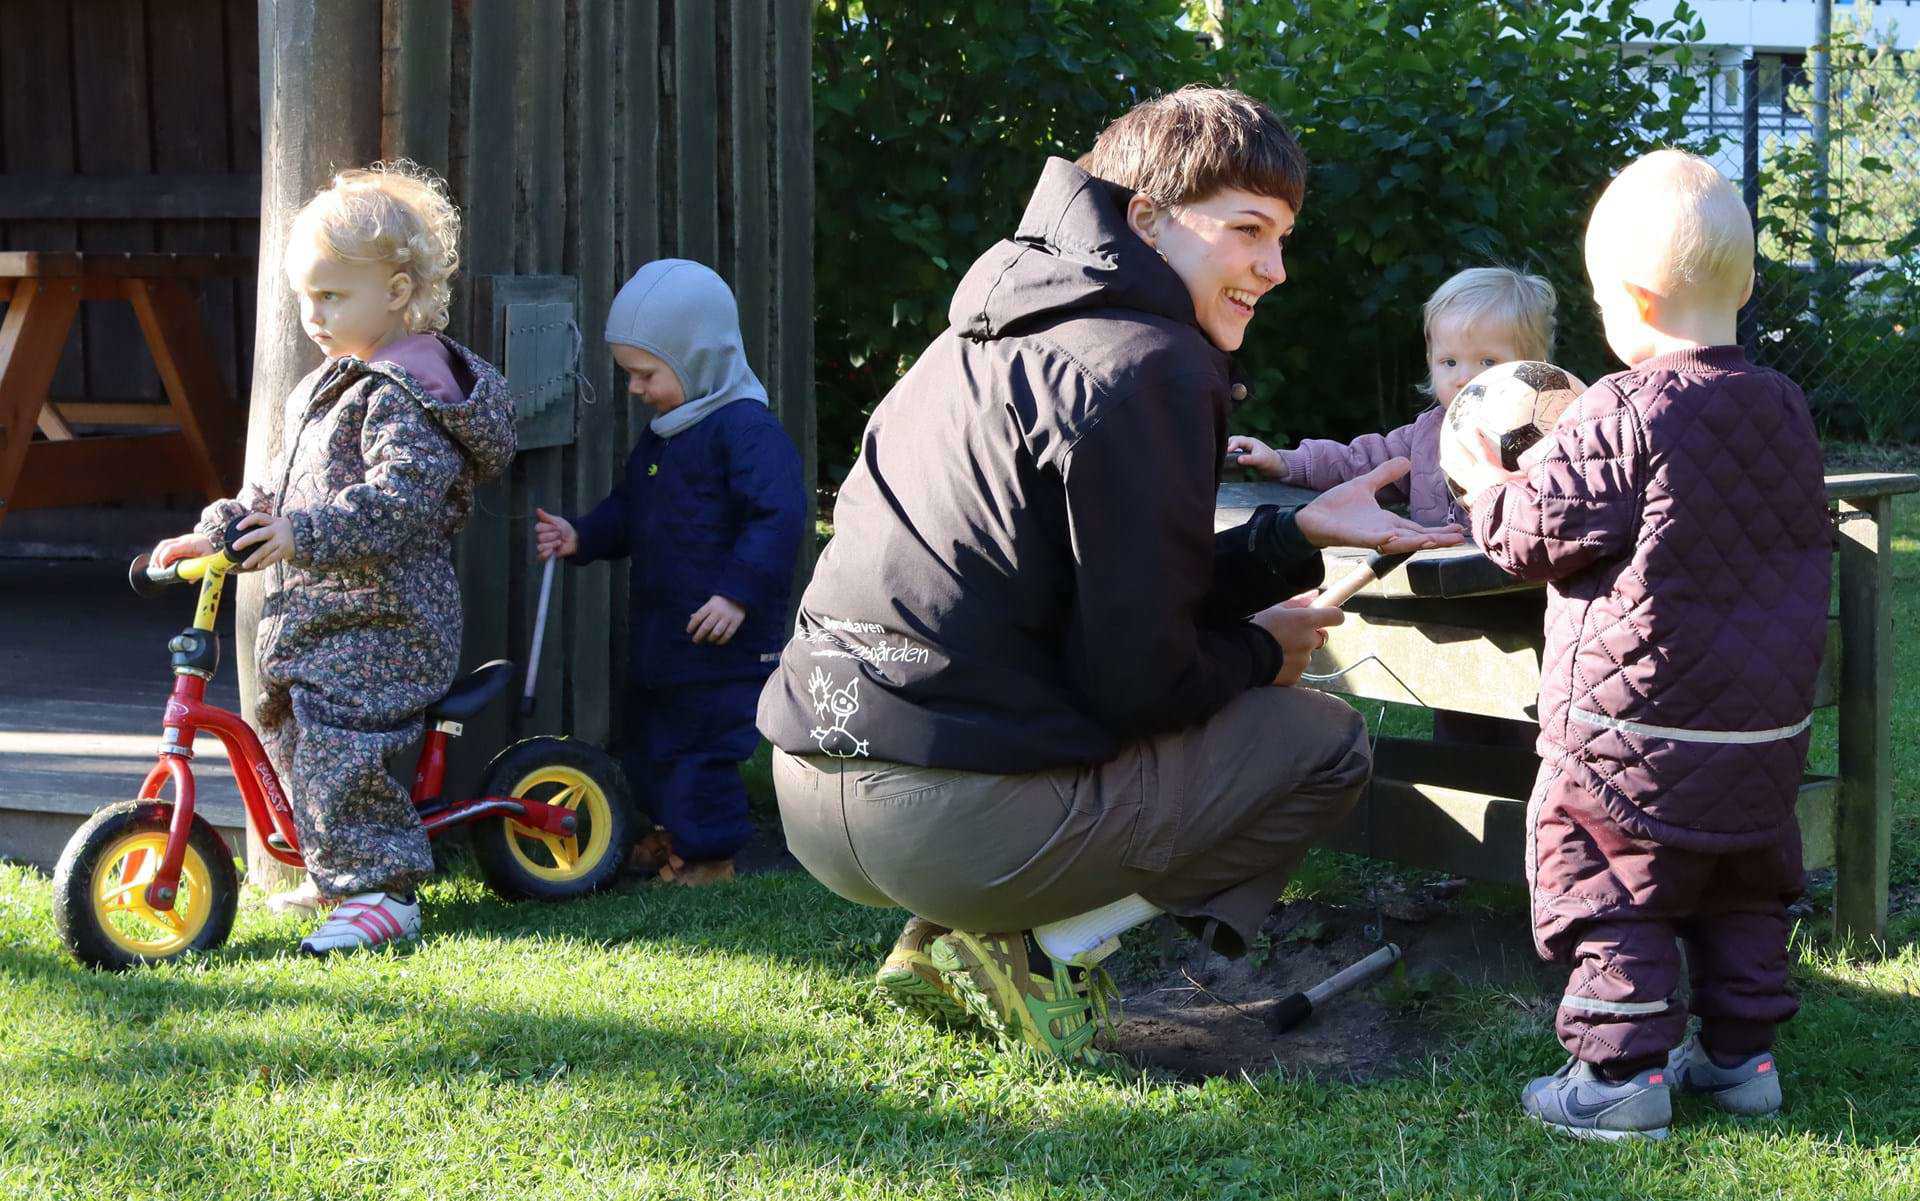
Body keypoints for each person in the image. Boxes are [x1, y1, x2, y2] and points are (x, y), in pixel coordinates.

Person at [757, 86, 1460, 1064]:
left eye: (1284, 237)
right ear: (1145, 217)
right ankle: (1045, 950)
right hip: (944, 824)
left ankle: (962, 934)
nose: (1275, 268)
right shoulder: (1153, 362)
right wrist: (1264, 652)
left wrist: (1292, 531)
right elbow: (1138, 682)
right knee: (1327, 743)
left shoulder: (977, 334)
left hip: (811, 787)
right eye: (1249, 230)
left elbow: (1088, 588)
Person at [1452, 149, 1829, 1140]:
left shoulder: (1623, 409)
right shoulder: (1786, 406)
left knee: (1617, 880)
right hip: (1760, 732)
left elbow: (1536, 536)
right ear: (1745, 284)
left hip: (1633, 735)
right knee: (1740, 887)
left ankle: (1620, 1077)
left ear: (1628, 298)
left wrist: (1485, 477)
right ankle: (1744, 1062)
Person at [152, 161, 516, 955]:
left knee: (337, 745)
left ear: (394, 292)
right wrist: (217, 531)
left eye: (331, 295)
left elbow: (402, 500)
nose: (313, 315)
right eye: (305, 297)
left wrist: (303, 536)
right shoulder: (321, 389)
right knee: (285, 732)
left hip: (385, 625)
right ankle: (339, 865)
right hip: (318, 622)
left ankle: (383, 894)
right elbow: (272, 491)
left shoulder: (401, 397)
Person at [534, 260, 805, 886]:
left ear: (700, 360)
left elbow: (778, 518)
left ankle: (711, 857)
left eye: (646, 374)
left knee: (701, 750)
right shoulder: (665, 438)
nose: (635, 388)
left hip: (723, 641)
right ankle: (669, 834)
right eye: (630, 373)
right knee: (651, 743)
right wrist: (583, 536)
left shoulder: (746, 432)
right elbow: (631, 509)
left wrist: (737, 594)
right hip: (666, 633)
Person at [1226, 266, 1557, 529]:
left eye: (1487, 361)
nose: (1463, 378)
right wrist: (1285, 461)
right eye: (1449, 362)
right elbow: (1360, 463)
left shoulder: (1553, 434)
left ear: (1532, 367)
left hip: (1514, 592)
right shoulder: (1426, 435)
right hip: (1433, 582)